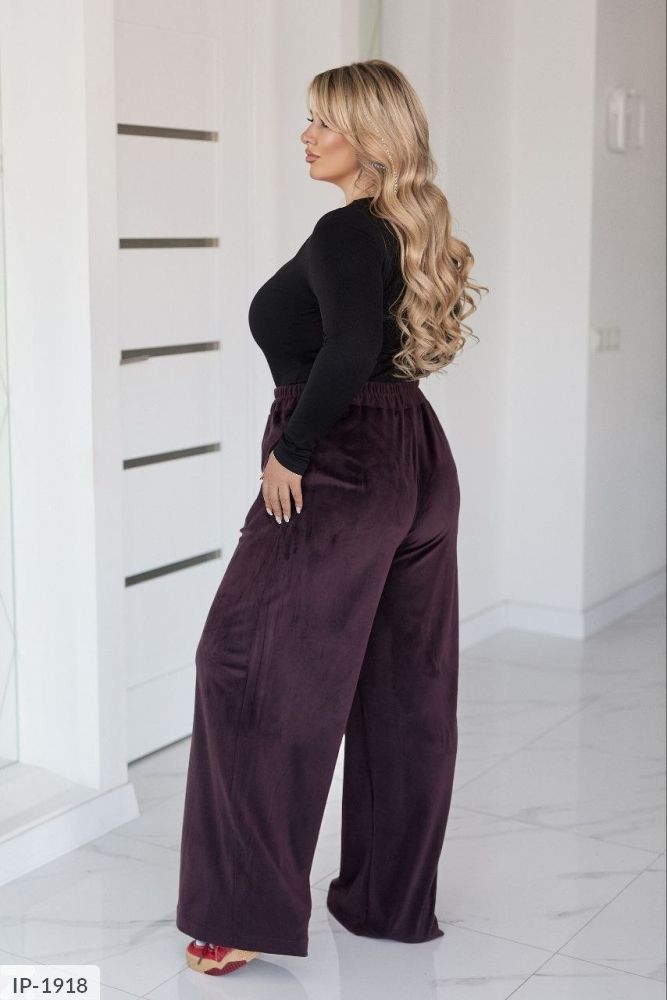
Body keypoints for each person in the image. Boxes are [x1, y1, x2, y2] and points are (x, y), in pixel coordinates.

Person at [176, 58, 486, 977]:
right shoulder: (403, 227)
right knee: (404, 690)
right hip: (416, 456)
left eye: (324, 122)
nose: (306, 136)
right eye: (308, 119)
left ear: (372, 137)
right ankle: (389, 903)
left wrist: (293, 450)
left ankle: (243, 915)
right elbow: (377, 348)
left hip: (341, 462)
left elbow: (348, 348)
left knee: (243, 667)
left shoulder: (347, 229)